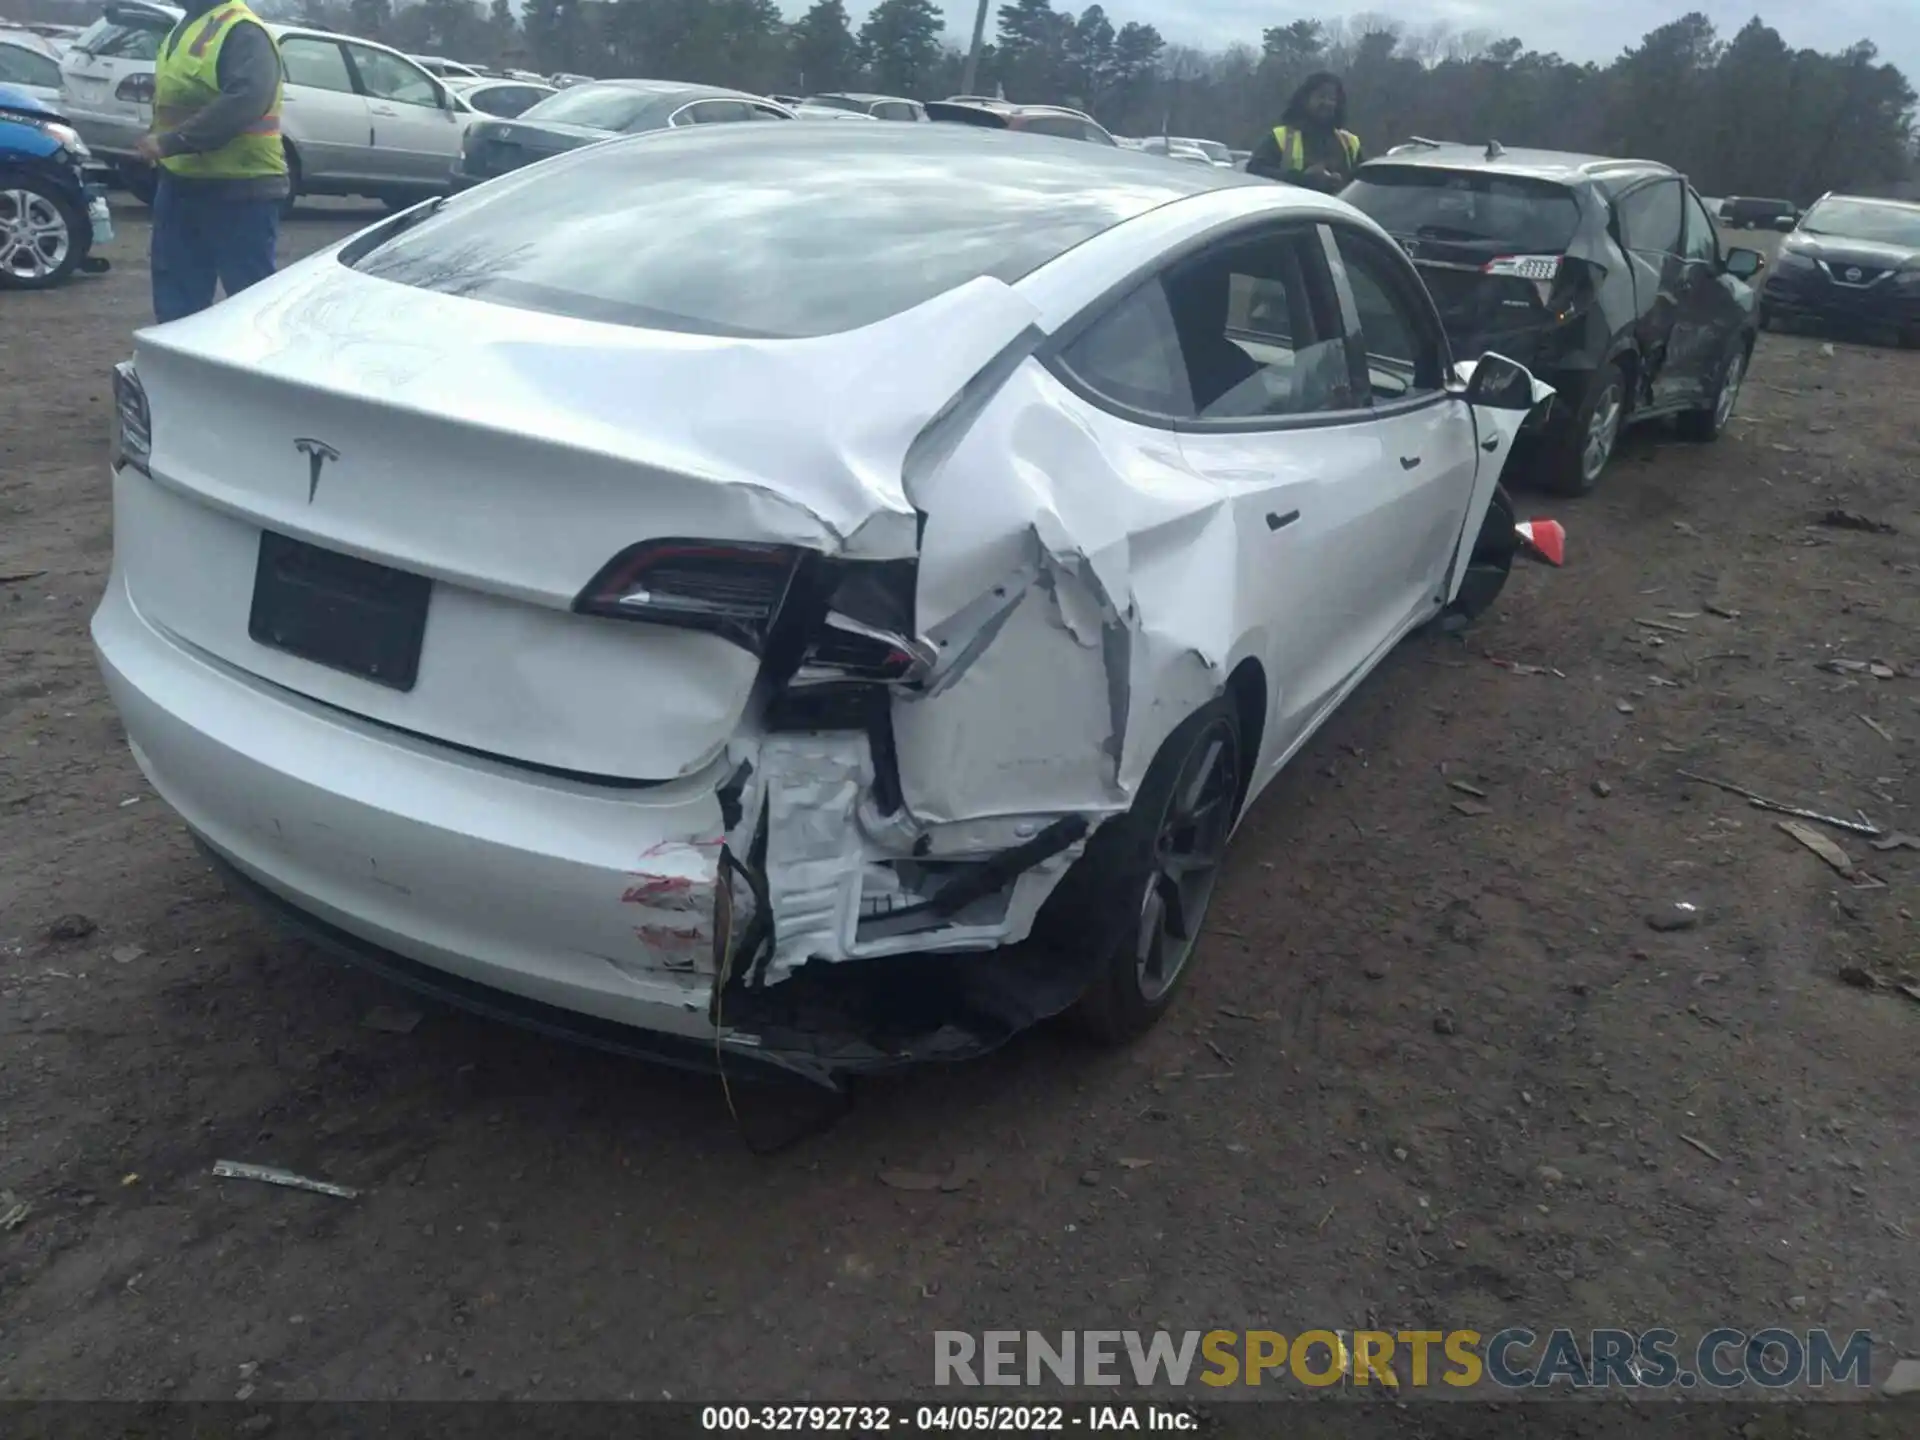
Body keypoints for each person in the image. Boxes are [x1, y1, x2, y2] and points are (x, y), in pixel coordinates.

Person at [132, 0, 288, 322]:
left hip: (241, 188)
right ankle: (182, 367)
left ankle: (251, 369)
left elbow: (246, 100)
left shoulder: (242, 29)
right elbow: (178, 98)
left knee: (250, 302)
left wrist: (170, 142)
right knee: (177, 301)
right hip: (181, 183)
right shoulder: (187, 25)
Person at [1247, 72, 1362, 194]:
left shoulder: (1349, 143)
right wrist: (1302, 179)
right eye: (1321, 96)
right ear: (1305, 99)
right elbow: (1254, 170)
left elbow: (1365, 180)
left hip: (1338, 211)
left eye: (1332, 99)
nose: (1328, 103)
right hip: (1294, 210)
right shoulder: (1282, 137)